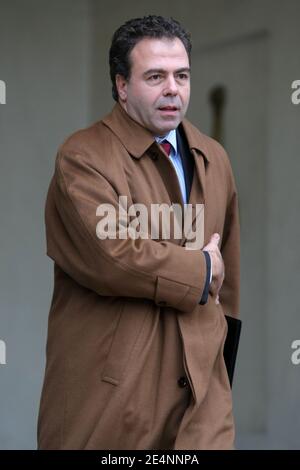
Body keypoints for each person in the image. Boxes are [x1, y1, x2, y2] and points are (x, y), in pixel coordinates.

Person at [37, 15, 240, 450]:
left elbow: (230, 280)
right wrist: (200, 268)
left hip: (203, 404)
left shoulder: (213, 157)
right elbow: (113, 256)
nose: (173, 88)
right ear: (122, 86)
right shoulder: (83, 157)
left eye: (181, 75)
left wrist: (221, 371)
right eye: (155, 76)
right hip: (114, 400)